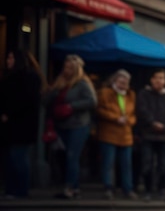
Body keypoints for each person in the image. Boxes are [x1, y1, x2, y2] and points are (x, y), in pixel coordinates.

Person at [46, 54, 97, 199]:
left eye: (70, 68)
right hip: (61, 124)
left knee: (72, 156)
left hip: (78, 124)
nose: (66, 70)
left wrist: (72, 106)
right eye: (65, 67)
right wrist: (53, 91)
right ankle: (72, 186)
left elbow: (92, 101)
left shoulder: (82, 84)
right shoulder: (60, 83)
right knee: (62, 156)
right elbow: (47, 101)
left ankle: (70, 187)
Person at [0, 49, 44, 198]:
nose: (8, 61)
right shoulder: (10, 77)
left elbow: (26, 100)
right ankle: (12, 189)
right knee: (11, 158)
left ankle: (20, 189)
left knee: (18, 157)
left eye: (11, 57)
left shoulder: (29, 78)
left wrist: (9, 113)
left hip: (22, 124)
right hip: (11, 125)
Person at [135, 69, 165, 200]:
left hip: (164, 136)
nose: (159, 81)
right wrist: (153, 123)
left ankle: (162, 190)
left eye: (162, 78)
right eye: (157, 78)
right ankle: (148, 190)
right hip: (148, 135)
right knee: (147, 164)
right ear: (152, 79)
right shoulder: (143, 94)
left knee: (163, 165)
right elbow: (141, 111)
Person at [96, 69, 137, 200]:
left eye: (126, 81)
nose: (124, 83)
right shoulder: (105, 93)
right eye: (121, 80)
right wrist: (116, 118)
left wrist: (129, 121)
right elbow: (100, 110)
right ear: (114, 80)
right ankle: (108, 187)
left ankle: (127, 189)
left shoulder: (131, 95)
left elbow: (133, 114)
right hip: (109, 133)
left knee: (126, 164)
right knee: (108, 163)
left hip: (126, 134)